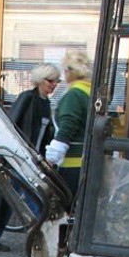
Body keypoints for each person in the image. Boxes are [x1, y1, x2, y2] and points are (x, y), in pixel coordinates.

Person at [0, 63, 61, 251]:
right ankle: (45, 240)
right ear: (40, 80)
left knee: (11, 198)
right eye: (51, 80)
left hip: (28, 159)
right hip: (18, 158)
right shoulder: (28, 98)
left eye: (57, 80)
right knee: (32, 200)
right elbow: (9, 125)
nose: (54, 84)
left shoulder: (44, 102)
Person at [45, 50, 92, 199]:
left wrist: (50, 159)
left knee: (64, 207)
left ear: (70, 71)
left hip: (71, 165)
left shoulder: (74, 95)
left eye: (65, 70)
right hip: (87, 163)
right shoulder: (90, 92)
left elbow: (67, 129)